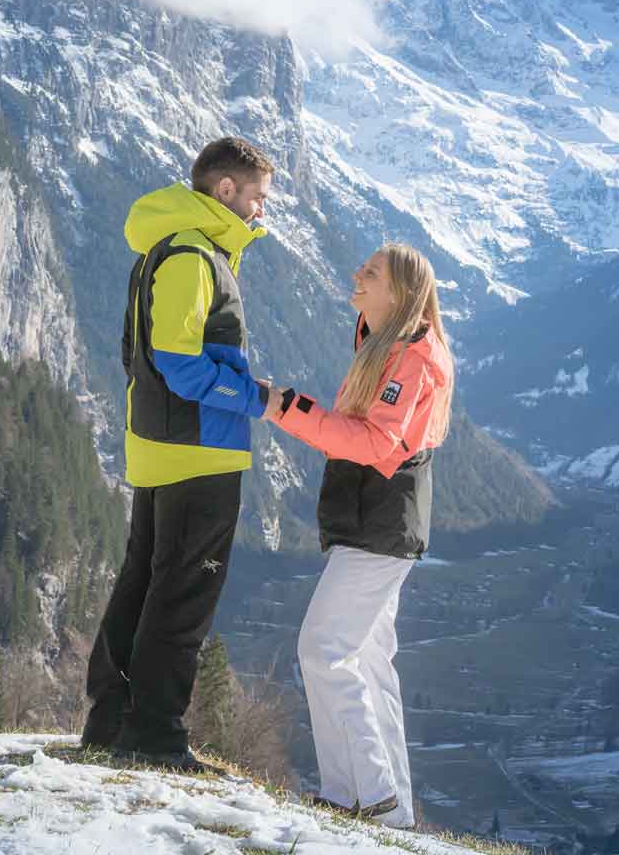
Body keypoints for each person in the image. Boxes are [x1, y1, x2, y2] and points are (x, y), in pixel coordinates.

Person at [82, 136, 277, 767]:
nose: (260, 212)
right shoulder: (195, 256)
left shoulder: (167, 248)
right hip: (200, 451)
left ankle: (112, 723)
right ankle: (155, 735)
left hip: (161, 446)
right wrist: (254, 397)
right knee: (184, 593)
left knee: (143, 582)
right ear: (225, 190)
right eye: (256, 198)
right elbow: (179, 362)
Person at [266, 242, 454, 827]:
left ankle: (371, 795)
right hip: (373, 522)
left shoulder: (412, 359)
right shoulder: (386, 342)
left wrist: (288, 409)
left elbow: (376, 445)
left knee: (323, 649)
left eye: (371, 273)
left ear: (398, 292)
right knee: (370, 661)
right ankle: (369, 800)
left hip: (380, 526)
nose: (358, 275)